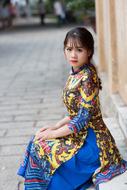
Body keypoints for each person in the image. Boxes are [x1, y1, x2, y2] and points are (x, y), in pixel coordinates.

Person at [17, 27, 127, 190]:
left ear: (89, 52)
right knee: (37, 141)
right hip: (79, 135)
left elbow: (82, 119)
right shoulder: (75, 72)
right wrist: (55, 126)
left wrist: (53, 134)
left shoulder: (88, 77)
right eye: (69, 49)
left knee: (43, 145)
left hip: (93, 143)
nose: (73, 55)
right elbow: (74, 114)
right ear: (64, 51)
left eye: (79, 49)